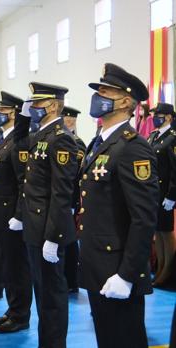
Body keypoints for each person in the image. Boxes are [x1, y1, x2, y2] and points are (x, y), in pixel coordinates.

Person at [79, 63, 159, 348]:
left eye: (105, 91)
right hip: (98, 264)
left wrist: (127, 275)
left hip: (117, 267)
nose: (97, 96)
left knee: (125, 340)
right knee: (108, 338)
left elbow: (144, 218)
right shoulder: (99, 143)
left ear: (126, 101)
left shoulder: (132, 147)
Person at [14, 82, 78, 348]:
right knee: (42, 292)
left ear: (52, 106)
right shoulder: (41, 134)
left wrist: (54, 236)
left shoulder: (60, 137)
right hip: (34, 226)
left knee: (52, 295)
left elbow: (61, 193)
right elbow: (19, 143)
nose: (33, 107)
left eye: (37, 104)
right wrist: (23, 116)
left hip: (47, 230)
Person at [0, 91, 32, 333]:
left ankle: (20, 315)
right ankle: (12, 309)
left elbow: (24, 182)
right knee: (7, 265)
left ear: (14, 114)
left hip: (11, 217)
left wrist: (19, 215)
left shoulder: (19, 141)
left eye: (2, 111)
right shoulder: (5, 139)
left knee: (17, 267)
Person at [147, 102, 176, 287]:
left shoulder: (173, 138)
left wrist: (172, 195)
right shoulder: (154, 136)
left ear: (169, 117)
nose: (155, 117)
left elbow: (175, 169)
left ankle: (169, 272)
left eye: (159, 114)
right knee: (157, 231)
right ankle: (159, 269)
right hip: (154, 193)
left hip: (165, 191)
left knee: (166, 232)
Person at [62, 106, 87, 293]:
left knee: (70, 242)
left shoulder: (77, 143)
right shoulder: (64, 139)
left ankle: (72, 280)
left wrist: (72, 203)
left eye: (71, 119)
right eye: (66, 118)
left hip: (70, 198)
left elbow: (74, 177)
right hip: (64, 199)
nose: (68, 121)